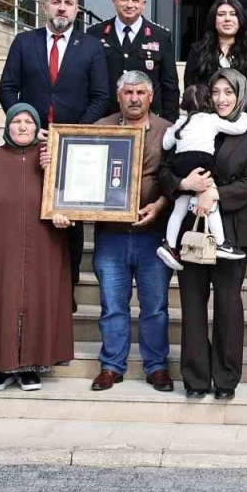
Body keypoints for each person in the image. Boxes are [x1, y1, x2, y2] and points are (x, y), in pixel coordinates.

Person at [159, 68, 247, 399]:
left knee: (228, 306)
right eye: (217, 92)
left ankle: (225, 379)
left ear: (241, 96)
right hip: (190, 231)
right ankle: (195, 378)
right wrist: (182, 184)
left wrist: (215, 193)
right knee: (192, 305)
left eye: (229, 93)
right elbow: (164, 169)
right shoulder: (192, 123)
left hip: (230, 231)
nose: (222, 99)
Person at [0, 0, 109, 296]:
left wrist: (72, 133)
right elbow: (7, 88)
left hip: (73, 147)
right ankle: (31, 284)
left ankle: (67, 286)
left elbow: (100, 96)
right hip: (30, 143)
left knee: (69, 219)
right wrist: (26, 124)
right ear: (45, 6)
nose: (62, 8)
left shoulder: (90, 47)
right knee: (31, 211)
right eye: (56, 2)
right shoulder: (24, 42)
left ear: (77, 9)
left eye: (69, 3)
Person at [0, 104, 74, 391]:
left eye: (28, 121)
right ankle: (0, 368)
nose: (23, 126)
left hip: (44, 245)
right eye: (16, 121)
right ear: (7, 127)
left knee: (37, 302)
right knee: (2, 303)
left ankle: (30, 367)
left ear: (37, 127)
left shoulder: (51, 159)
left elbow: (71, 196)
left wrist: (66, 215)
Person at [82, 71, 177, 393]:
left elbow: (177, 179)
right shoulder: (100, 129)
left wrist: (162, 204)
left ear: (151, 97)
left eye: (140, 92)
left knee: (155, 306)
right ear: (118, 96)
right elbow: (82, 175)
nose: (134, 98)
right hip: (111, 234)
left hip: (154, 234)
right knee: (112, 304)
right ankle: (111, 366)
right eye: (128, 92)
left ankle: (157, 366)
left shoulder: (169, 132)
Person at [156, 84, 247, 269]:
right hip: (202, 162)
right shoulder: (212, 119)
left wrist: (173, 129)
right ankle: (221, 243)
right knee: (210, 200)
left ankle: (169, 245)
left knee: (179, 208)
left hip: (181, 164)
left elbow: (166, 144)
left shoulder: (181, 123)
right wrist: (245, 116)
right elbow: (238, 128)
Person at [85, 0, 179, 122]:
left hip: (148, 121)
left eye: (135, 0)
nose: (130, 5)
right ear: (114, 1)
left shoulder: (160, 36)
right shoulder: (95, 34)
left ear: (143, 4)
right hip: (106, 119)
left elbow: (169, 86)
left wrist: (170, 125)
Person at [184, 0, 247, 124]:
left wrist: (240, 118)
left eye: (233, 14)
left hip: (245, 122)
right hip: (206, 122)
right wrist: (209, 118)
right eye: (221, 14)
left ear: (240, 19)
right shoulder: (198, 50)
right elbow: (192, 87)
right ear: (213, 19)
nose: (227, 19)